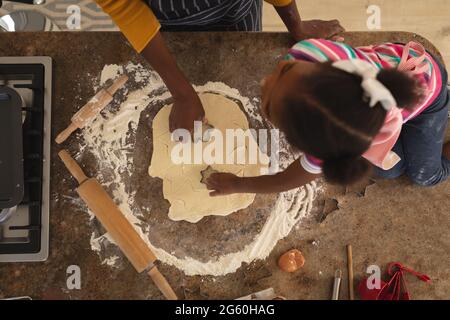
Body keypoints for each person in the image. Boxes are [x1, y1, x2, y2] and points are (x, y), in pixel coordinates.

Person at [205, 39, 450, 195]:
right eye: (283, 69)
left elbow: (289, 178)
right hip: (394, 79)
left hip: (429, 93)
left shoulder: (329, 134)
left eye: (267, 106)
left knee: (422, 176)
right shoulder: (305, 55)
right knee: (389, 171)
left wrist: (240, 185)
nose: (265, 82)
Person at [95, 0, 345, 133]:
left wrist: (296, 26)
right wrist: (183, 95)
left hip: (234, 10)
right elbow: (125, 6)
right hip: (161, 19)